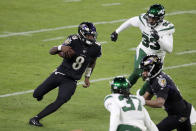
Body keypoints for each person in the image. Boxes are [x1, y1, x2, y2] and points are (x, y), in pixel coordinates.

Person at [29, 22, 102, 127]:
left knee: (61, 100)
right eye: (88, 35)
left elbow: (92, 62)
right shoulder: (73, 39)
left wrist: (87, 77)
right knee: (36, 94)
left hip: (72, 80)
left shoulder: (96, 47)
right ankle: (40, 95)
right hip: (60, 73)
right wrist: (60, 48)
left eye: (92, 35)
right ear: (82, 34)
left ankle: (36, 118)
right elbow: (52, 51)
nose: (91, 37)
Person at [110, 4, 175, 96]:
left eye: (154, 19)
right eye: (150, 17)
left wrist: (158, 39)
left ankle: (139, 96)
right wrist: (117, 31)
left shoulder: (165, 28)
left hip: (156, 57)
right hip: (144, 50)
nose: (150, 20)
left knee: (152, 79)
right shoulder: (144, 20)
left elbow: (169, 49)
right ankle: (121, 91)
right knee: (137, 71)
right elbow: (130, 21)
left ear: (160, 19)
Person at [139, 54, 196, 131]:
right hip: (179, 112)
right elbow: (146, 97)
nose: (143, 73)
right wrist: (135, 101)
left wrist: (142, 101)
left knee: (156, 130)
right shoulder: (153, 79)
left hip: (180, 114)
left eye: (146, 70)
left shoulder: (160, 81)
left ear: (154, 69)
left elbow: (160, 103)